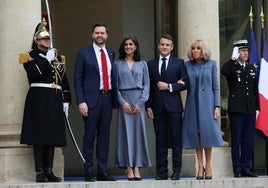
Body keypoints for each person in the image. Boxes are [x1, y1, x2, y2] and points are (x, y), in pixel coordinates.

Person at [19, 19, 71, 182]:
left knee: (52, 135)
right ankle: (40, 172)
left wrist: (67, 100)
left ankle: (49, 170)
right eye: (44, 38)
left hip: (54, 98)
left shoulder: (58, 57)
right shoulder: (29, 56)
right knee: (39, 135)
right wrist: (47, 60)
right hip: (39, 98)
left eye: (48, 38)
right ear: (37, 40)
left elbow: (64, 82)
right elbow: (33, 73)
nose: (47, 40)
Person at [74, 23, 117, 182]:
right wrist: (81, 101)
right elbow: (78, 79)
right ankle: (88, 171)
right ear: (92, 35)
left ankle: (103, 171)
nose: (100, 35)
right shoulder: (83, 53)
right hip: (91, 100)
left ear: (107, 35)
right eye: (97, 33)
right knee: (89, 137)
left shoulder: (111, 53)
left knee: (104, 137)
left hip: (107, 98)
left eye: (102, 33)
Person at [146, 34, 189, 180]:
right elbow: (149, 88)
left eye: (167, 45)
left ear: (172, 47)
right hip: (157, 108)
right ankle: (161, 172)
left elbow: (186, 83)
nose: (164, 47)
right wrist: (148, 106)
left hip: (174, 108)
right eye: (162, 44)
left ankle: (176, 171)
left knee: (176, 140)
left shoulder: (179, 63)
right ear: (158, 46)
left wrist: (169, 86)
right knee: (160, 141)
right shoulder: (150, 64)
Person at [182, 39, 224, 180]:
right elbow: (183, 82)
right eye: (193, 48)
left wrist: (217, 106)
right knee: (196, 134)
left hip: (207, 104)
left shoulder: (211, 64)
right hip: (192, 104)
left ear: (203, 50)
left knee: (207, 134)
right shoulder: (187, 65)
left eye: (198, 48)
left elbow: (215, 87)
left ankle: (209, 165)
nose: (195, 50)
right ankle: (200, 166)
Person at [114, 36, 151, 181]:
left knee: (138, 135)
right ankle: (128, 167)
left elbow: (147, 85)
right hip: (125, 103)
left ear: (135, 47)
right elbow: (114, 86)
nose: (128, 46)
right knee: (125, 135)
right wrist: (122, 102)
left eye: (131, 44)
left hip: (138, 103)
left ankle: (137, 167)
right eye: (126, 45)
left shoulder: (143, 64)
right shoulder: (117, 64)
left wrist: (141, 102)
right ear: (123, 48)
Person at [221, 39, 259, 178]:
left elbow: (255, 90)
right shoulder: (232, 67)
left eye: (246, 51)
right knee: (237, 140)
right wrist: (232, 59)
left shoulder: (251, 68)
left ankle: (246, 168)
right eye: (242, 51)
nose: (245, 53)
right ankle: (237, 169)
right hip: (237, 109)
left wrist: (258, 108)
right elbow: (223, 71)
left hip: (250, 109)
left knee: (248, 140)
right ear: (237, 52)